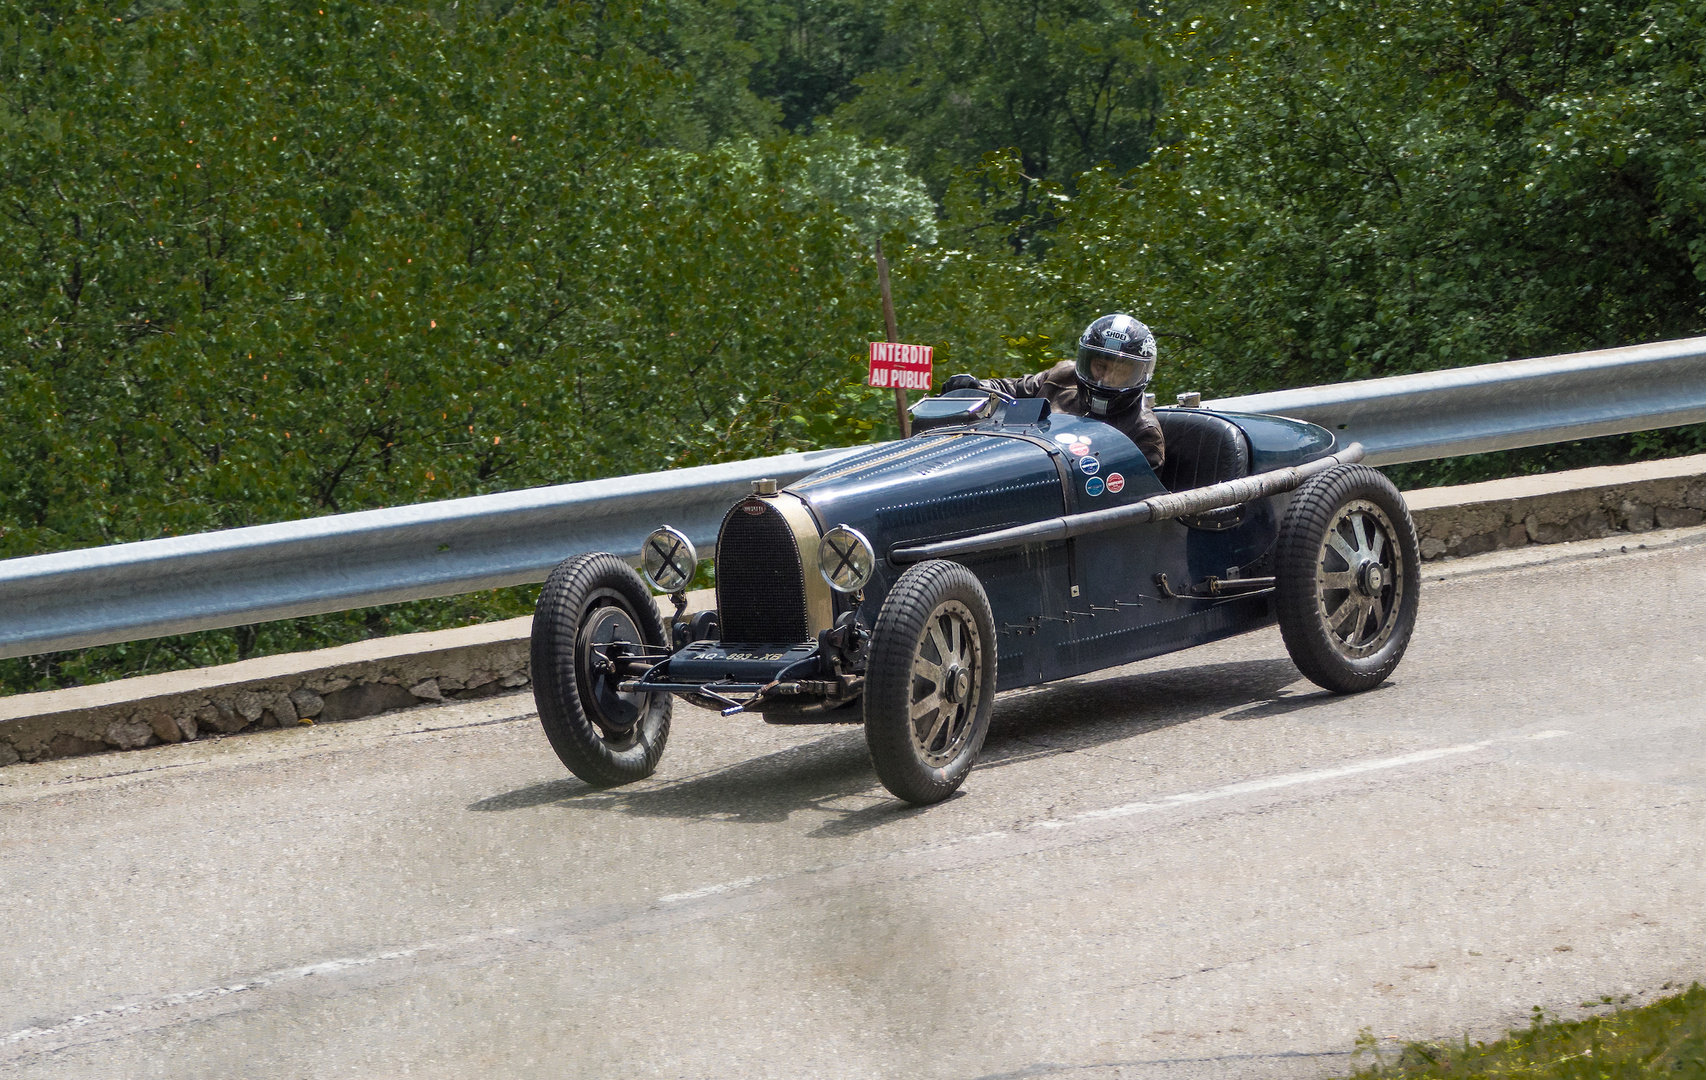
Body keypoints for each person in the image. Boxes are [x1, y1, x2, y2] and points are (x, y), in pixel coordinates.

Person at [942, 313, 1164, 471]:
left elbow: (1132, 507)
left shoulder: (1144, 432)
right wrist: (974, 386)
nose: (1104, 378)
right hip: (1012, 465)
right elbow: (1009, 389)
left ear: (1140, 375)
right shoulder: (1062, 377)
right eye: (1100, 366)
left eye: (1119, 372)